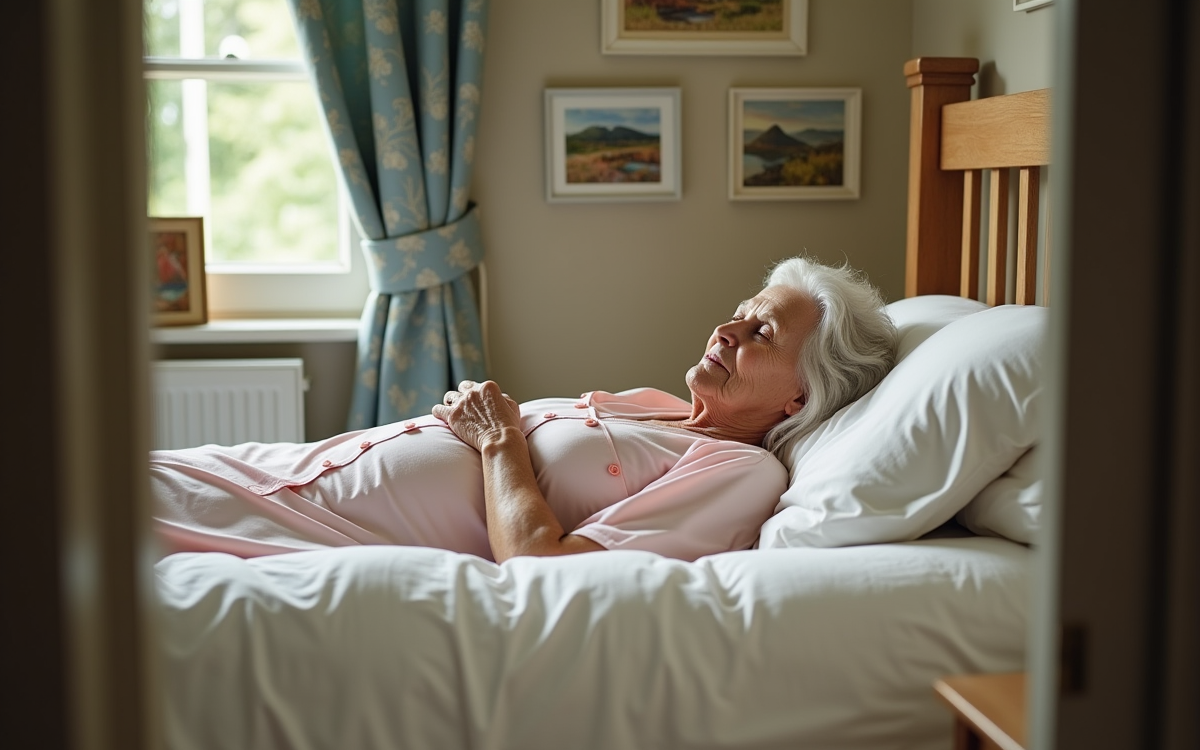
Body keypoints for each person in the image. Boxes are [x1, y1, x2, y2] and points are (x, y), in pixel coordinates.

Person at [151, 256, 897, 563]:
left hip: (303, 527)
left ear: (802, 395)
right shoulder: (655, 408)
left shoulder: (740, 473)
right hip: (285, 473)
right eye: (739, 312)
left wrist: (499, 441)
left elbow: (544, 570)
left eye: (761, 331)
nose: (727, 329)